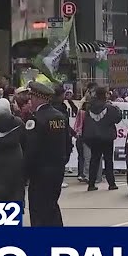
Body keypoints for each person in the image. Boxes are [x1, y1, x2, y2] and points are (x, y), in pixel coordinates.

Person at [23, 82, 73, 226]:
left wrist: (24, 174)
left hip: (40, 173)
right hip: (57, 171)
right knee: (51, 206)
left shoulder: (36, 119)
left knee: (39, 210)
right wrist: (61, 162)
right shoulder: (60, 117)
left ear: (38, 98)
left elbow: (31, 149)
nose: (30, 102)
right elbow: (68, 144)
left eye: (31, 98)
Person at [82, 86, 123, 191]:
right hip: (107, 138)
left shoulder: (89, 108)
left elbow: (86, 123)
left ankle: (91, 184)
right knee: (108, 160)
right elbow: (118, 118)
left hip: (94, 138)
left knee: (94, 160)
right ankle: (111, 183)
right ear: (105, 95)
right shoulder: (109, 107)